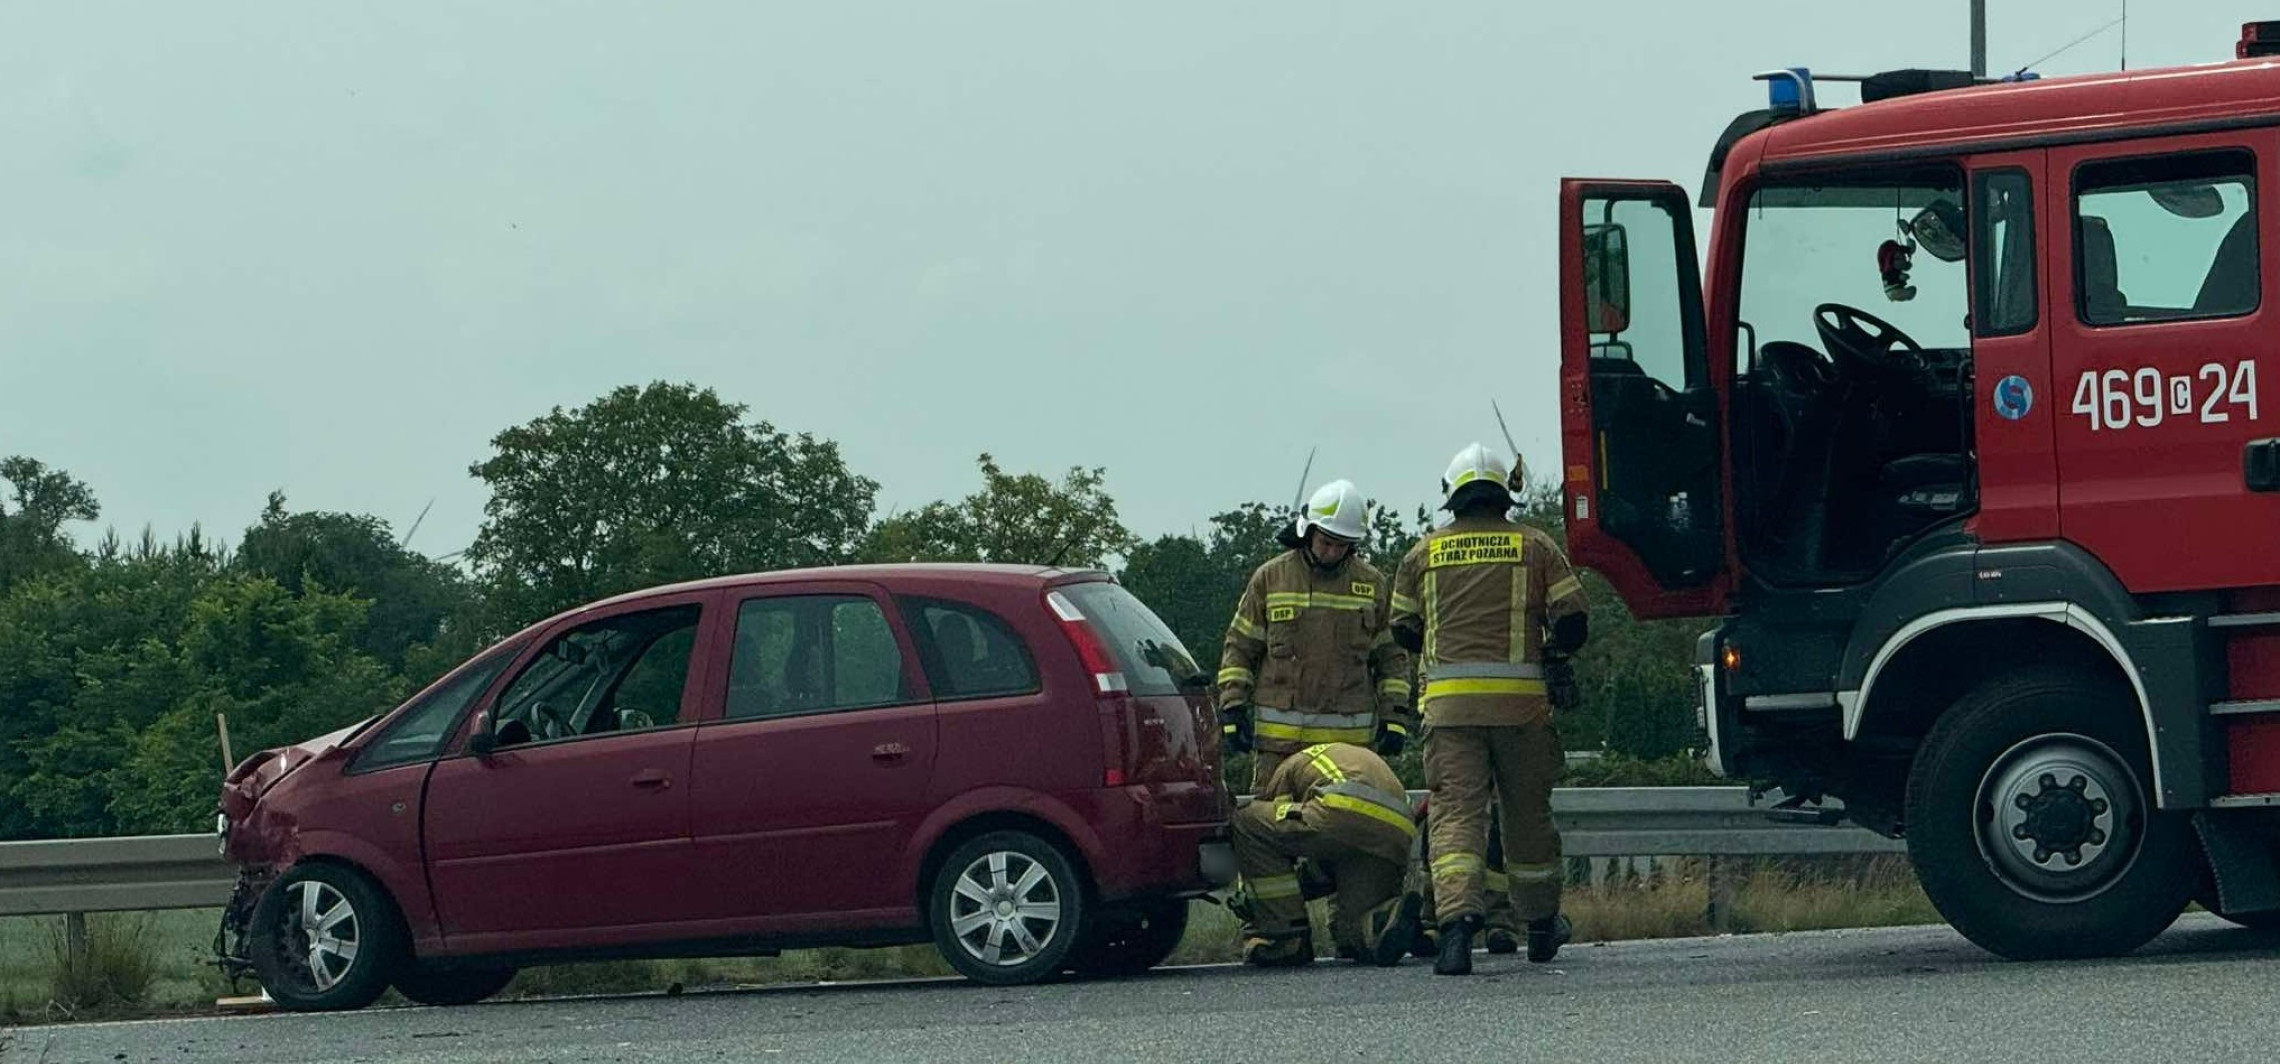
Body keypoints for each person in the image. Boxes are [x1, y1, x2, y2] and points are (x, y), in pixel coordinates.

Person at [1391, 443, 1590, 975]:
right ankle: (1543, 926)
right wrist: (1545, 649)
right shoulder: (1536, 546)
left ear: (1452, 495)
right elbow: (1574, 623)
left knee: (1456, 817)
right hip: (1521, 711)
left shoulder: (1422, 553)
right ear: (1505, 494)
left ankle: (1456, 932)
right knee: (1527, 818)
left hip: (1450, 713)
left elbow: (1403, 629)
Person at [1219, 479, 1414, 793]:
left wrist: (1395, 717)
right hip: (1280, 746)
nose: (1333, 552)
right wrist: (1232, 707)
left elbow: (1392, 658)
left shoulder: (1372, 584)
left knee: (1346, 827)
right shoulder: (1271, 579)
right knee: (1276, 827)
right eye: (1326, 542)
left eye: (1343, 545)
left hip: (1350, 749)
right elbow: (1240, 648)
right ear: (1307, 532)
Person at [1227, 741, 1424, 967]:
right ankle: (1384, 916)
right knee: (1350, 933)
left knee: (1247, 821)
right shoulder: (1345, 757)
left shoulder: (1286, 768)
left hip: (1342, 812)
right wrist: (1309, 882)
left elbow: (1278, 844)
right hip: (1396, 832)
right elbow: (1322, 857)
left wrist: (1257, 899)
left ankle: (1288, 938)